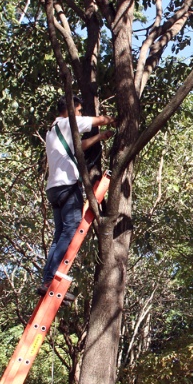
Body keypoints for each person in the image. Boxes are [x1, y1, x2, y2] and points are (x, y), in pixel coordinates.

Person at [38, 96, 115, 295]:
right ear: (72, 110)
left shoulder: (52, 130)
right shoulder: (68, 122)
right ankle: (53, 277)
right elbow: (98, 120)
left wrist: (99, 137)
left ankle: (47, 279)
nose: (80, 114)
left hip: (53, 189)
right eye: (79, 110)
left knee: (59, 234)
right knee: (71, 229)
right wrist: (117, 118)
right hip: (67, 186)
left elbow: (76, 147)